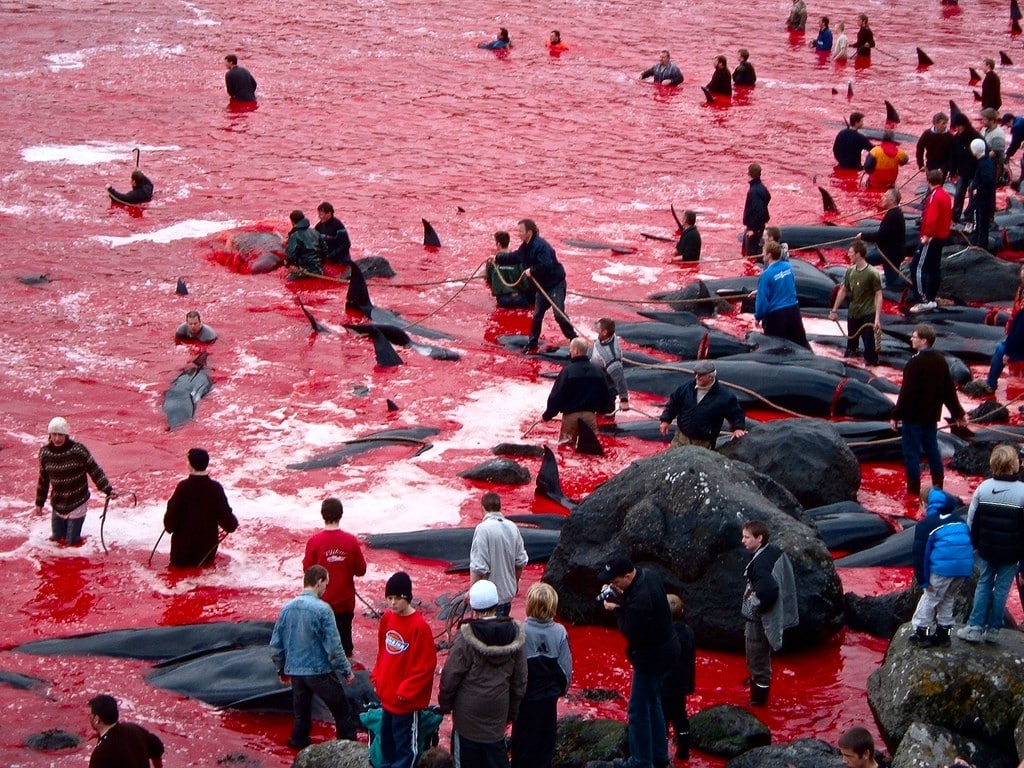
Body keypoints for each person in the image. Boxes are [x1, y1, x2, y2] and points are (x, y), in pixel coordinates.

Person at [600, 555, 680, 768]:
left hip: (651, 658)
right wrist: (621, 596)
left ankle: (641, 761)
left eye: (616, 582)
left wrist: (616, 609)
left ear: (628, 576)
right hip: (667, 650)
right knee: (653, 703)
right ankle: (660, 757)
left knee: (637, 710)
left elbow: (629, 630)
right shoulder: (649, 575)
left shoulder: (641, 601)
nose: (613, 585)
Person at [438, 579, 527, 768]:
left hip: (466, 718)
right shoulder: (515, 635)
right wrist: (511, 713)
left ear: (473, 607)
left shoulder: (465, 637)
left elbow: (450, 675)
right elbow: (520, 681)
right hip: (497, 717)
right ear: (496, 605)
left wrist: (445, 704)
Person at [269, 565, 356, 749]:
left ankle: (297, 748)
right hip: (319, 671)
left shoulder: (287, 608)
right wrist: (346, 670)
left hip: (296, 673)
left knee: (301, 716)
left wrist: (282, 669)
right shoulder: (323, 609)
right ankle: (347, 750)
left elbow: (276, 644)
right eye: (326, 584)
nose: (326, 588)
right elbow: (334, 647)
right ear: (319, 582)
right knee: (342, 712)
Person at [957, 444, 1024, 644]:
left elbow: (972, 519)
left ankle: (975, 626)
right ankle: (994, 629)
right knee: (1002, 589)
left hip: (986, 549)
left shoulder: (983, 488)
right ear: (1016, 466)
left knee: (984, 584)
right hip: (1012, 553)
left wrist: (973, 544)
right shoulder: (1022, 491)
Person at [889, 324, 967, 496]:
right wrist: (958, 414)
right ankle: (938, 485)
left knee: (911, 453)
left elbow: (906, 392)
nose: (911, 338)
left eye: (915, 336)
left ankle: (913, 490)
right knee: (932, 450)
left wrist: (895, 415)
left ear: (924, 340)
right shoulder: (940, 361)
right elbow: (949, 391)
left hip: (912, 417)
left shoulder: (913, 363)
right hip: (931, 417)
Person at [371, 571, 437, 768]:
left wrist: (406, 692)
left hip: (404, 703)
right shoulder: (387, 619)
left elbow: (426, 666)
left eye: (397, 599)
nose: (392, 604)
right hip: (387, 697)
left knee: (405, 748)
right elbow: (382, 651)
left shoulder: (419, 627)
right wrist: (377, 677)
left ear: (407, 598)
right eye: (389, 598)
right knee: (387, 742)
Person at [509, 582, 572, 768]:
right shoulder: (560, 632)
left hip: (524, 703)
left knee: (521, 749)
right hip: (548, 703)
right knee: (545, 749)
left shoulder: (519, 630)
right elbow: (566, 672)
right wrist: (560, 691)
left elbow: (512, 670)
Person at [494, 218, 577, 354]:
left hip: (555, 285)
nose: (518, 234)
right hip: (541, 287)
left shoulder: (541, 246)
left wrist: (532, 270)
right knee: (537, 315)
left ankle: (574, 339)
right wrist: (497, 258)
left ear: (529, 232)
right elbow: (515, 257)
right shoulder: (525, 246)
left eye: (520, 231)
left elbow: (546, 264)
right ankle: (532, 344)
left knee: (559, 315)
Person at [740, 520, 798, 707]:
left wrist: (755, 605)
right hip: (766, 616)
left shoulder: (760, 565)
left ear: (760, 538)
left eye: (747, 537)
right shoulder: (773, 551)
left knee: (757, 660)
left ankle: (758, 700)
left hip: (758, 621)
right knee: (759, 657)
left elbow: (768, 591)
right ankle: (757, 682)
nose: (743, 541)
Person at [907, 486, 974, 647]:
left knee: (930, 598)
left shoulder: (926, 525)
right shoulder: (958, 519)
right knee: (948, 598)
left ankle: (921, 632)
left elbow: (920, 555)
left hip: (943, 569)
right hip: (963, 568)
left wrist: (923, 581)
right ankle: (944, 634)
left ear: (925, 504)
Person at [34, 416, 116, 547]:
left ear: (66, 435)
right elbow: (43, 479)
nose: (56, 438)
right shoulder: (45, 453)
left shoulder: (78, 451)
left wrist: (107, 489)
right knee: (56, 539)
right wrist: (39, 502)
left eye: (60, 434)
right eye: (54, 434)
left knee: (70, 543)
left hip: (77, 501)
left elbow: (94, 470)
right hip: (58, 503)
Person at [303, 497, 368, 657]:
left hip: (320, 603)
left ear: (322, 515)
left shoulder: (314, 542)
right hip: (345, 603)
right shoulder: (351, 541)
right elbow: (361, 570)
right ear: (341, 515)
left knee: (320, 648)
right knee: (345, 648)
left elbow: (307, 571)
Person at [163, 448, 238, 568]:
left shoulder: (183, 488)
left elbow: (169, 524)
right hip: (206, 553)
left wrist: (169, 525)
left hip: (182, 553)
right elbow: (230, 525)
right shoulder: (216, 488)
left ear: (190, 465)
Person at [658, 360, 747, 449]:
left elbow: (736, 413)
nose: (697, 377)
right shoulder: (686, 388)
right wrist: (666, 420)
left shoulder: (724, 396)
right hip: (681, 438)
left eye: (700, 375)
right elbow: (673, 404)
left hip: (704, 442)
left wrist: (738, 428)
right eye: (696, 373)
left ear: (710, 376)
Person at [543, 337, 615, 444]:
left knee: (566, 449)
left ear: (576, 351)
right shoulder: (598, 371)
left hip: (570, 418)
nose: (569, 351)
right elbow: (606, 394)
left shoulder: (567, 371)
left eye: (571, 349)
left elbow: (556, 396)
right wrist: (603, 410)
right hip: (590, 417)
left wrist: (548, 415)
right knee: (591, 451)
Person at [469, 492, 528, 618]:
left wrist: (472, 593)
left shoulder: (482, 529)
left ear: (482, 509)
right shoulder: (513, 527)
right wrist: (514, 584)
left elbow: (478, 567)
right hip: (508, 597)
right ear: (500, 508)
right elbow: (521, 561)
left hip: (488, 601)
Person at [829, 240, 883, 365]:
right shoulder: (850, 271)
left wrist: (877, 318)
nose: (848, 254)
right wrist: (834, 310)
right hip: (853, 313)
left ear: (858, 254)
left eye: (851, 252)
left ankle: (872, 364)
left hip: (867, 313)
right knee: (851, 346)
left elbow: (879, 295)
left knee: (869, 346)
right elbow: (843, 290)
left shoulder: (872, 273)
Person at [909, 170, 952, 313]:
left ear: (929, 180)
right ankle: (931, 298)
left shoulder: (934, 196)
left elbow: (932, 217)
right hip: (942, 236)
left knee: (917, 266)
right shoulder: (946, 195)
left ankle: (923, 299)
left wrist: (927, 235)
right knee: (934, 268)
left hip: (932, 237)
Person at [753, 241, 809, 348]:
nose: (762, 254)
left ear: (769, 255)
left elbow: (762, 301)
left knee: (775, 349)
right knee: (802, 345)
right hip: (793, 311)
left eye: (764, 251)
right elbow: (788, 285)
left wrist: (758, 316)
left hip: (777, 315)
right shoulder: (788, 267)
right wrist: (759, 291)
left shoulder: (766, 275)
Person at [979, 264, 1024, 393]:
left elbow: (1020, 330)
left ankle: (990, 384)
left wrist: (1008, 352)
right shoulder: (1021, 289)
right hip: (1018, 331)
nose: (1022, 274)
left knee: (1001, 350)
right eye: (1022, 270)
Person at [661, 594, 696, 760]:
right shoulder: (688, 632)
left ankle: (661, 751)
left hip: (664, 684)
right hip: (681, 684)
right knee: (680, 717)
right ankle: (684, 750)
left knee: (662, 719)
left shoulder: (662, 633)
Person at [88, 694, 164, 768]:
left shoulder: (100, 754)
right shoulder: (134, 729)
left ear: (97, 719)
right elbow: (157, 748)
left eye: (89, 715)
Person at [859, 187, 907, 289]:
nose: (882, 198)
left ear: (892, 201)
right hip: (892, 251)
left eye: (885, 196)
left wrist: (863, 236)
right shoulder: (895, 212)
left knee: (864, 259)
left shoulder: (892, 215)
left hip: (890, 254)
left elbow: (881, 236)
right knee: (891, 278)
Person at [949, 113, 983, 222]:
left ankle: (969, 218)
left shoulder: (977, 137)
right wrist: (952, 171)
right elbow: (953, 156)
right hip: (962, 173)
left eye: (960, 126)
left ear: (965, 125)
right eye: (956, 127)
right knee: (958, 195)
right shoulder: (956, 138)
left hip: (974, 173)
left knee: (973, 196)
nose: (958, 129)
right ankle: (955, 216)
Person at [591, 318, 630, 412]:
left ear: (604, 332)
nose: (596, 327)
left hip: (605, 391)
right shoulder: (610, 336)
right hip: (598, 380)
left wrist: (624, 400)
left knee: (604, 416)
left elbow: (620, 378)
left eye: (598, 327)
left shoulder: (610, 357)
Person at [965, 137, 996, 249]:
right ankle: (980, 245)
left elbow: (987, 181)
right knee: (982, 225)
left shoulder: (984, 164)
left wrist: (978, 190)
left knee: (980, 225)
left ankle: (979, 247)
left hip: (982, 201)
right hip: (986, 200)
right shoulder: (987, 162)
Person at [284, 209, 325, 276]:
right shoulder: (316, 232)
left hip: (304, 271)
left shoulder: (294, 236)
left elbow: (290, 256)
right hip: (319, 269)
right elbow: (324, 250)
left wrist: (287, 265)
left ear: (293, 222)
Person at [742, 163, 771, 257]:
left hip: (754, 229)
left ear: (749, 174)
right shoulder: (761, 187)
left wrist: (754, 230)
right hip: (757, 226)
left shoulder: (754, 190)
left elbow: (759, 211)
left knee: (751, 255)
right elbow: (768, 196)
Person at [915, 112, 953, 178]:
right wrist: (921, 164)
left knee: (939, 184)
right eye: (943, 123)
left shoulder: (949, 136)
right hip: (930, 163)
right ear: (935, 124)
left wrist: (944, 168)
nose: (945, 126)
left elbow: (952, 154)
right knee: (931, 184)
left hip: (944, 164)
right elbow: (919, 149)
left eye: (946, 123)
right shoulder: (927, 134)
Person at [981, 107, 1007, 188]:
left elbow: (994, 153)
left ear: (992, 120)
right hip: (985, 164)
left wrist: (980, 159)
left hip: (994, 166)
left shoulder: (998, 135)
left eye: (984, 119)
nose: (982, 121)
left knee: (990, 187)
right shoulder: (985, 129)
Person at [1002, 112, 1024, 185]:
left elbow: (1015, 144)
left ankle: (1022, 182)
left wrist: (1008, 154)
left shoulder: (1017, 127)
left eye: (1007, 125)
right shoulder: (1019, 118)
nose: (1008, 127)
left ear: (1011, 120)